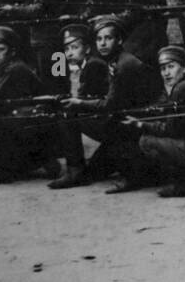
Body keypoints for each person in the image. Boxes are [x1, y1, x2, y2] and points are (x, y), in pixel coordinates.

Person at [61, 15, 159, 190]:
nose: (103, 43)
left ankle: (75, 170)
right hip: (129, 118)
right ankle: (81, 172)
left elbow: (109, 105)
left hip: (135, 123)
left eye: (108, 38)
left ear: (119, 40)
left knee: (70, 115)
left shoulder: (122, 65)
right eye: (99, 39)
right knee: (93, 172)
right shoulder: (117, 60)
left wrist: (78, 103)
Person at [127, 45, 185, 198]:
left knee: (146, 141)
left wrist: (140, 124)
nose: (166, 73)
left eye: (171, 67)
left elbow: (171, 129)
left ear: (184, 68)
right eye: (163, 68)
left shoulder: (182, 88)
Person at [0, 26, 50, 185]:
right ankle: (40, 159)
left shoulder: (14, 68)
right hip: (31, 114)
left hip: (35, 116)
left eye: (1, 50)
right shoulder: (8, 66)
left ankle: (1, 170)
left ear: (12, 51)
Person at [47, 23, 111, 190]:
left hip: (104, 116)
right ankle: (67, 166)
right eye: (66, 49)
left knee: (67, 116)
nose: (69, 53)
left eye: (75, 47)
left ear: (87, 49)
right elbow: (57, 86)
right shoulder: (62, 61)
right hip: (93, 112)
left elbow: (84, 98)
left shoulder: (94, 65)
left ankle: (75, 169)